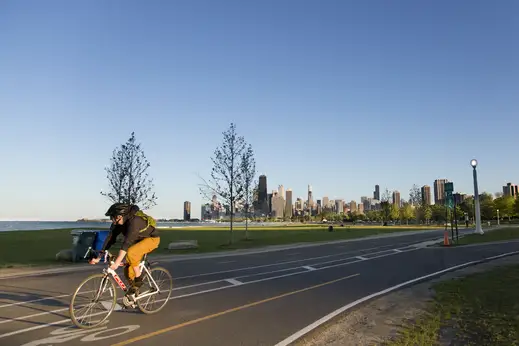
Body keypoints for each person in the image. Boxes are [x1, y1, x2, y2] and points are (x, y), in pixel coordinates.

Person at [89, 203, 160, 294]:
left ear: (119, 216)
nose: (112, 220)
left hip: (151, 239)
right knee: (128, 270)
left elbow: (127, 243)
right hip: (137, 241)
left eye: (112, 217)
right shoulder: (118, 224)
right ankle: (134, 293)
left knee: (131, 253)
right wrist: (99, 257)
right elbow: (110, 239)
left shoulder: (134, 221)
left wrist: (117, 262)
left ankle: (139, 279)